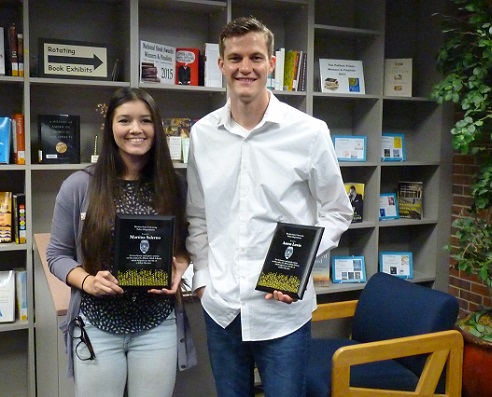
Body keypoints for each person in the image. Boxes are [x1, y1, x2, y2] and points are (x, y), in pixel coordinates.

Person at [185, 16, 353, 397]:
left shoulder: (309, 132)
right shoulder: (202, 134)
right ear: (221, 64)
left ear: (272, 64)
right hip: (222, 307)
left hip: (282, 314)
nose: (246, 68)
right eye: (236, 58)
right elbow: (197, 214)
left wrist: (299, 266)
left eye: (256, 57)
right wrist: (204, 282)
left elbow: (337, 211)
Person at [47, 87, 196, 397]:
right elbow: (57, 255)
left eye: (145, 120)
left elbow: (186, 244)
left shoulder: (174, 186)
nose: (136, 129)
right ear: (110, 127)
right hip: (97, 327)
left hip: (157, 325)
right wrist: (87, 282)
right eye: (125, 120)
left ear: (157, 127)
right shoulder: (79, 185)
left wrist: (180, 266)